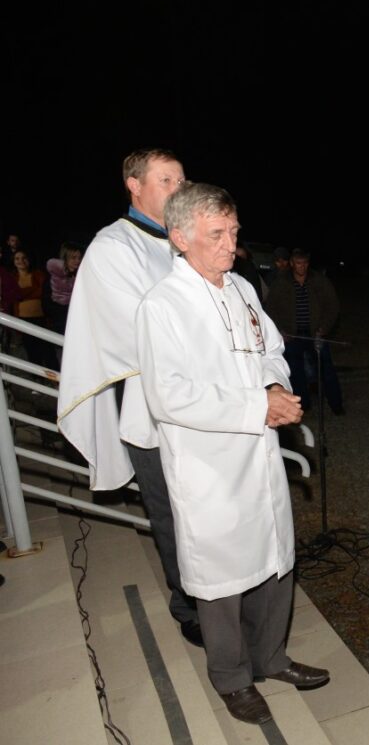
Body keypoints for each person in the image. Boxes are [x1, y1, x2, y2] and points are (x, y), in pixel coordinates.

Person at [136, 182, 328, 726]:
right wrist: (254, 406)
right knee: (221, 576)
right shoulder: (162, 306)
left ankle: (272, 657)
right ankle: (232, 677)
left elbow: (271, 350)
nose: (230, 245)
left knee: (273, 557)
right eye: (217, 235)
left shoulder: (242, 289)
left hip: (259, 453)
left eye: (234, 232)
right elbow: (168, 395)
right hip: (209, 465)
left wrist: (274, 389)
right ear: (179, 237)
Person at [56, 148, 202, 647]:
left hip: (206, 407)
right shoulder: (112, 247)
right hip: (153, 414)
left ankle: (222, 596)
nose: (180, 189)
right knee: (172, 513)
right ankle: (189, 605)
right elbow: (136, 329)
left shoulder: (188, 241)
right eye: (167, 180)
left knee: (208, 507)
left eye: (183, 180)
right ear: (134, 186)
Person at [264, 247, 345, 415]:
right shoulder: (281, 282)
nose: (302, 266)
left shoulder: (319, 280)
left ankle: (336, 405)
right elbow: (271, 309)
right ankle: (303, 405)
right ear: (292, 263)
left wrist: (324, 327)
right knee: (295, 372)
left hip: (316, 333)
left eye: (305, 263)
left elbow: (333, 305)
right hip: (292, 335)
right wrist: (280, 330)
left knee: (326, 371)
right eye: (298, 263)